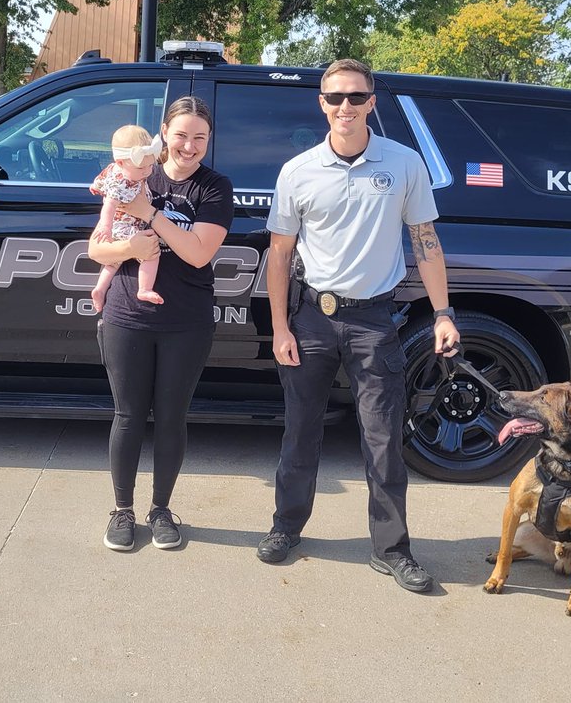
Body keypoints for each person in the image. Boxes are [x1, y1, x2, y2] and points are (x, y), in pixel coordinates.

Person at [256, 58, 460, 593]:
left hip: (373, 320)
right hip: (311, 321)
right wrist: (280, 328)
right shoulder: (297, 171)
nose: (344, 106)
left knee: (383, 440)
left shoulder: (404, 164)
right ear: (320, 104)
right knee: (300, 433)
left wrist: (443, 312)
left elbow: (426, 242)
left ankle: (391, 549)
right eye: (334, 98)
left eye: (355, 96)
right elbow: (279, 256)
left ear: (373, 101)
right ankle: (285, 527)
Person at [88, 96, 234, 552]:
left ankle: (161, 509)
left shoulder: (214, 188)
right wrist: (130, 250)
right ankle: (123, 510)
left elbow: (196, 253)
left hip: (185, 322)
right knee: (128, 415)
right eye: (181, 134)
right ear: (163, 134)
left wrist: (149, 214)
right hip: (126, 315)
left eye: (200, 138)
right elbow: (96, 248)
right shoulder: (136, 175)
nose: (189, 146)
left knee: (171, 418)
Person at [89, 125, 164, 313]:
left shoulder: (117, 170)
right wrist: (106, 227)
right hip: (127, 225)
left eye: (150, 165)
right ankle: (144, 288)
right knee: (152, 253)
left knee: (113, 262)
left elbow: (99, 182)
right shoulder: (122, 181)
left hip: (121, 225)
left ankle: (100, 289)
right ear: (121, 162)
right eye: (141, 167)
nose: (147, 171)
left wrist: (96, 186)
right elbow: (109, 205)